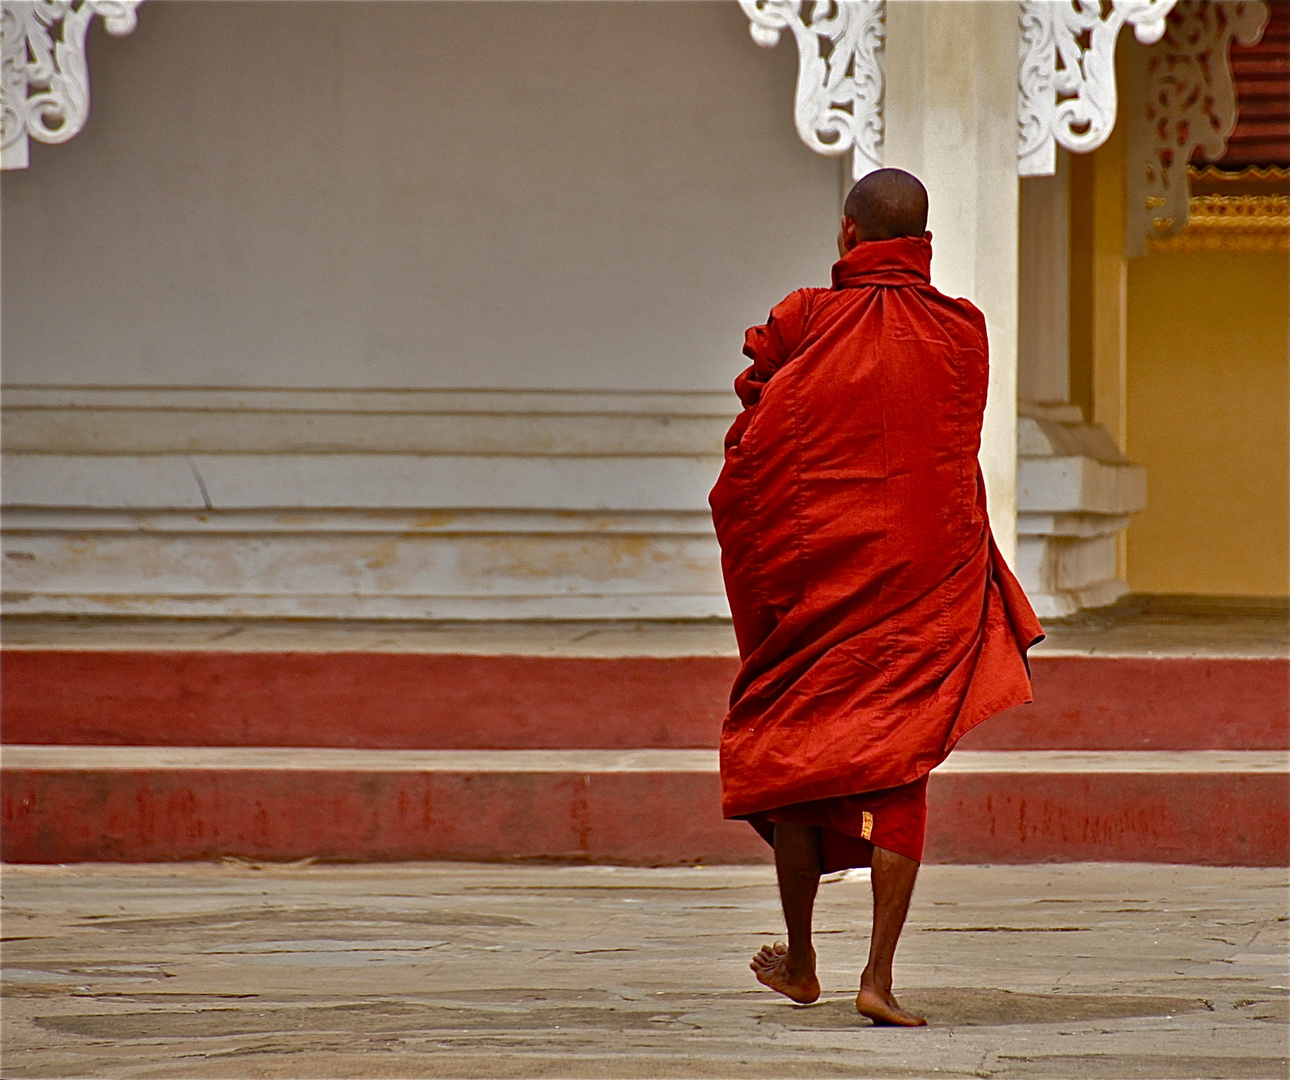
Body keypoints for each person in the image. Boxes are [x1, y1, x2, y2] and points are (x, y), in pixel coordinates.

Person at [709, 168, 1043, 1026]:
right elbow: (946, 447)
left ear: (849, 237)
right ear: (921, 243)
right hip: (924, 588)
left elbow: (754, 442)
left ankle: (803, 960)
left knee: (795, 753)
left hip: (822, 582)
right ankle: (879, 977)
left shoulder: (804, 321)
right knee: (901, 768)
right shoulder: (961, 331)